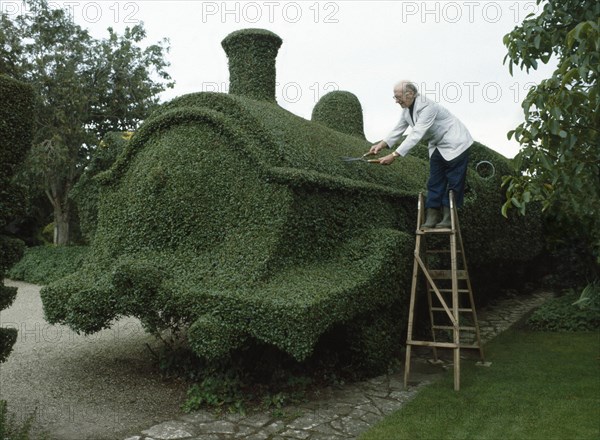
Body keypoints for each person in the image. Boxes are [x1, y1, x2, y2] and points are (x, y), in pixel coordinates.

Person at [369, 80, 473, 229]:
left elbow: (416, 133)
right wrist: (381, 144)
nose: (396, 101)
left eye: (398, 97)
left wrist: (394, 155)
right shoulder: (407, 109)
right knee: (435, 181)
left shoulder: (427, 106)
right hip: (438, 145)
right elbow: (398, 129)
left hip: (456, 142)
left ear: (410, 94)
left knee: (454, 182)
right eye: (395, 97)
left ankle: (448, 218)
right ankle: (432, 217)